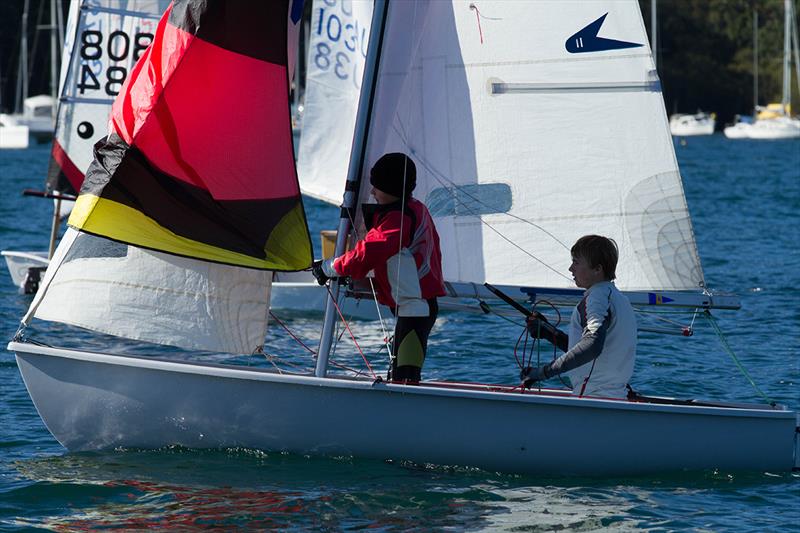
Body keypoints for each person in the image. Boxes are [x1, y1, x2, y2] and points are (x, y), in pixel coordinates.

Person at [312, 153, 445, 384]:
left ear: (392, 188)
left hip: (416, 308)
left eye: (377, 187)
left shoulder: (398, 220)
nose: (372, 192)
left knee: (406, 375)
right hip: (415, 306)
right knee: (402, 370)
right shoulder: (415, 208)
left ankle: (402, 409)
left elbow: (367, 254)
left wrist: (330, 267)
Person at [520, 235, 637, 398]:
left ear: (597, 269)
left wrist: (543, 372)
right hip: (614, 396)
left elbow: (593, 345)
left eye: (576, 262)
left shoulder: (597, 297)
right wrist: (549, 333)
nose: (570, 268)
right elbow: (590, 347)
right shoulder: (620, 299)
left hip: (592, 397)